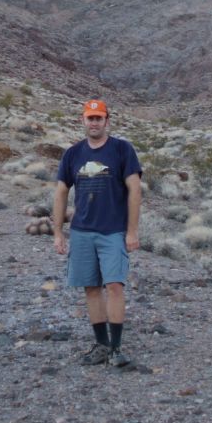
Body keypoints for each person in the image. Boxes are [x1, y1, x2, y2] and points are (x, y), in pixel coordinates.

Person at [53, 99, 142, 367]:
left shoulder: (122, 150)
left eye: (99, 118)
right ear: (83, 121)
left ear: (107, 121)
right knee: (91, 288)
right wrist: (58, 232)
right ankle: (101, 345)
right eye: (90, 118)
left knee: (114, 285)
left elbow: (135, 190)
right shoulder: (72, 154)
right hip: (81, 232)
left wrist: (132, 231)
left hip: (113, 230)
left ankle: (116, 348)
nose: (94, 123)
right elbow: (60, 192)